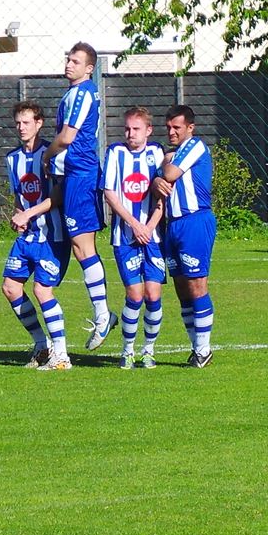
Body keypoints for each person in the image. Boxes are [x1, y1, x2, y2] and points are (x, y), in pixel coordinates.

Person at [42, 41, 112, 350]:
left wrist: (46, 156)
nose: (69, 64)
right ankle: (102, 313)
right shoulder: (76, 93)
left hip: (81, 175)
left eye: (76, 61)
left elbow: (67, 137)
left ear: (89, 68)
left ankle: (103, 314)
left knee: (84, 247)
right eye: (68, 59)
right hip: (75, 175)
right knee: (79, 246)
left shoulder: (82, 93)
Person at [0, 101, 73, 370]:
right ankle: (42, 345)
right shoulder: (13, 159)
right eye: (18, 123)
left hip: (52, 237)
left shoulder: (51, 155)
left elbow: (58, 196)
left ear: (39, 124)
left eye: (27, 122)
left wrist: (28, 214)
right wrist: (18, 216)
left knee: (42, 290)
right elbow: (19, 198)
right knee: (10, 287)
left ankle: (62, 356)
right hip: (28, 237)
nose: (21, 127)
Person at [102, 107, 167, 370]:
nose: (130, 134)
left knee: (153, 294)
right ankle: (127, 350)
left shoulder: (157, 153)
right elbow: (109, 193)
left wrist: (148, 227)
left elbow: (163, 195)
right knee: (135, 294)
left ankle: (149, 350)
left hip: (153, 236)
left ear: (148, 130)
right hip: (125, 237)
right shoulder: (115, 153)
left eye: (136, 129)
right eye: (127, 129)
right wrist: (134, 224)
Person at [152, 105, 217, 368]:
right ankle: (195, 348)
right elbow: (160, 179)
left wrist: (161, 170)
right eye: (168, 127)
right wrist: (156, 178)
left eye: (177, 127)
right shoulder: (173, 153)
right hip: (173, 225)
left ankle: (204, 350)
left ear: (190, 127)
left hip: (195, 222)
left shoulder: (195, 146)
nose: (171, 132)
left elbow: (169, 174)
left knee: (197, 284)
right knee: (181, 288)